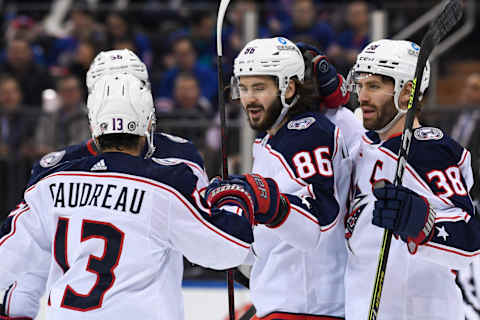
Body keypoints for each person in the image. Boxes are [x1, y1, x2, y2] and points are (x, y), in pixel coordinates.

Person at [0, 71, 259, 319]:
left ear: (94, 125)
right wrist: (232, 199)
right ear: (148, 122)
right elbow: (226, 249)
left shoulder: (51, 182)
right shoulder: (165, 185)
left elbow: (8, 256)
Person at [345, 39, 480, 319]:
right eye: (360, 85)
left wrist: (422, 223)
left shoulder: (428, 150)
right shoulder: (361, 146)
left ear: (407, 92)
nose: (363, 96)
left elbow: (470, 241)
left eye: (374, 86)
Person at [230, 36, 353, 319]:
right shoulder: (273, 140)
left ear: (289, 88)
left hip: (307, 307)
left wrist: (268, 204)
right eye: (244, 88)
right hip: (290, 304)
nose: (249, 99)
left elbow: (318, 223)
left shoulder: (304, 134)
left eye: (259, 87)